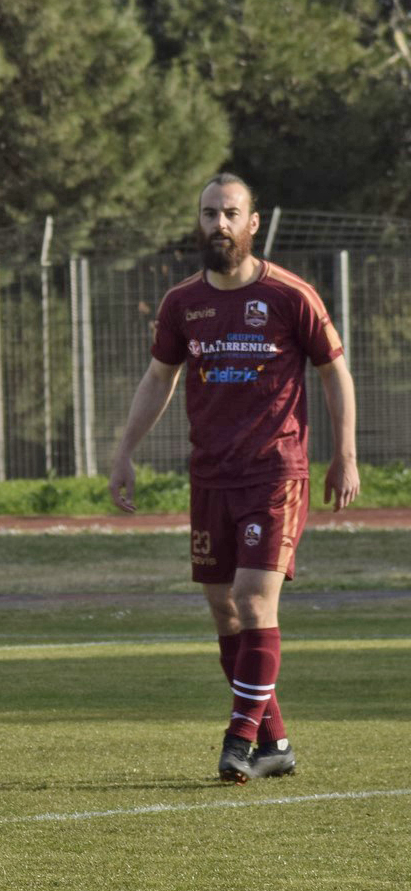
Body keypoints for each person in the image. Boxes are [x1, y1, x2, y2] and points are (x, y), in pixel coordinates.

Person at [110, 173, 358, 783]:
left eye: (230, 214)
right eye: (208, 214)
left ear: (253, 223)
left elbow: (334, 371)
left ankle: (238, 739)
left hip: (276, 471)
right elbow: (158, 379)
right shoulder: (181, 304)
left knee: (252, 598)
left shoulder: (290, 295)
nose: (218, 224)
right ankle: (275, 742)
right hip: (210, 476)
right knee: (224, 608)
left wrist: (345, 453)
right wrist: (123, 452)